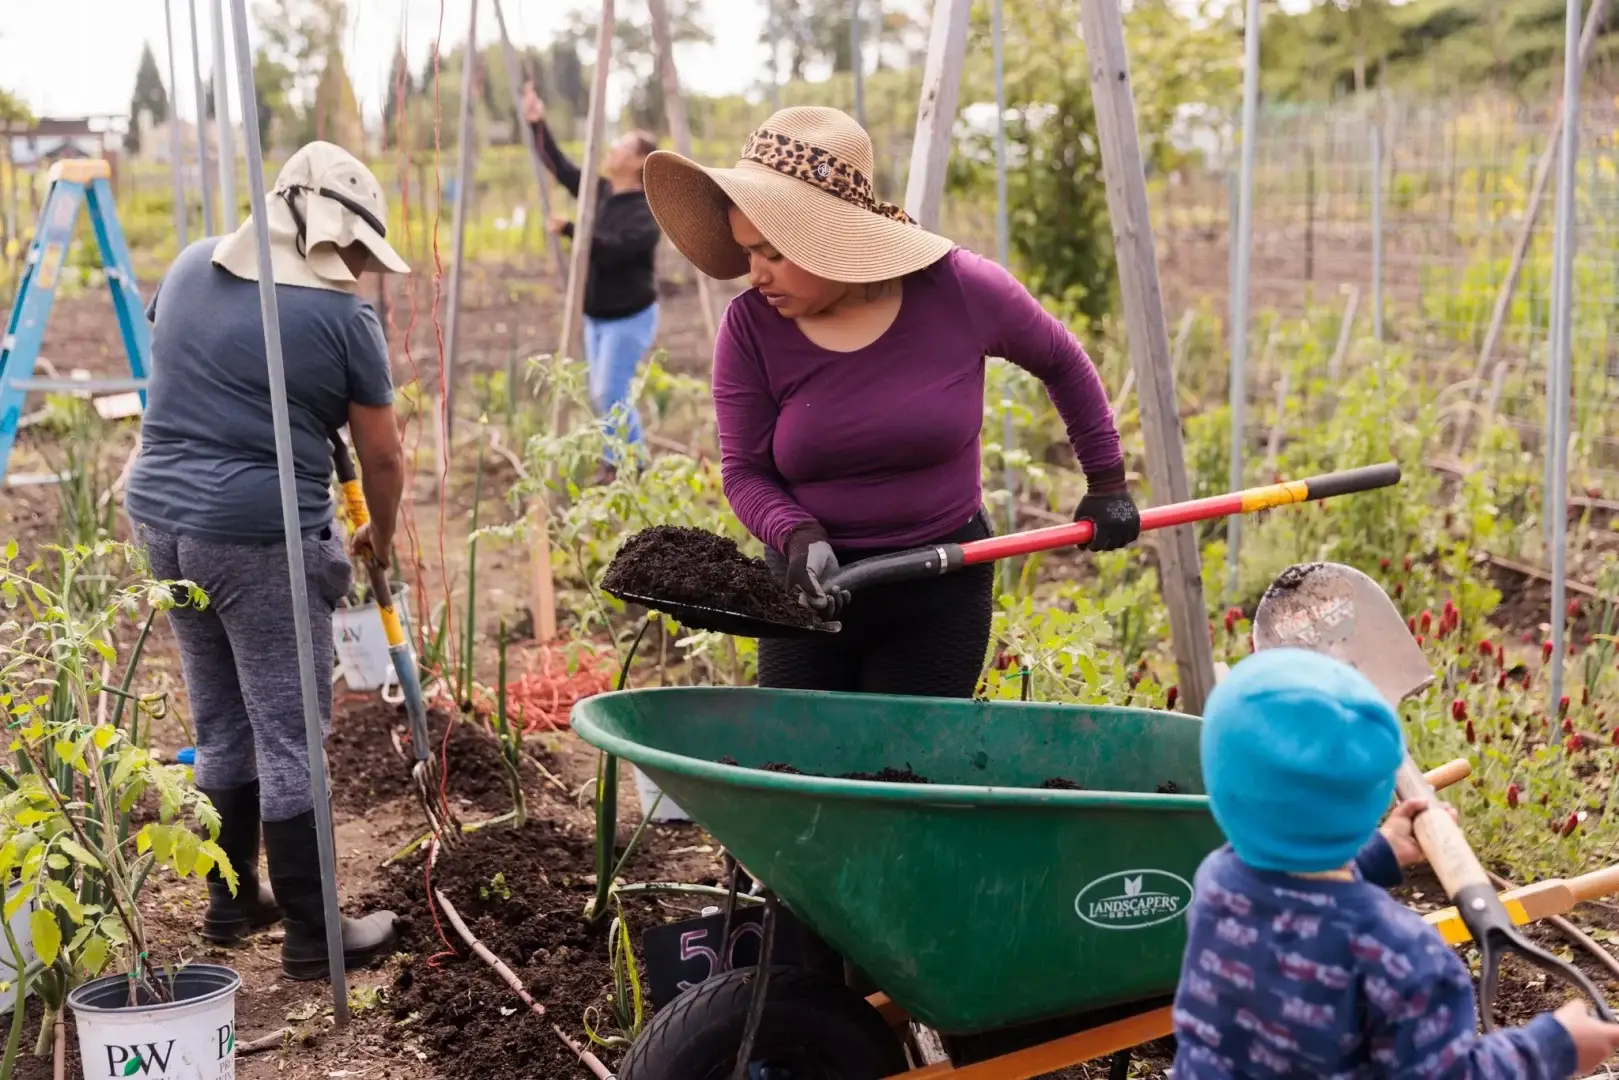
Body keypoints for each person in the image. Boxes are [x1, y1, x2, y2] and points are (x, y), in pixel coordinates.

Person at [641, 106, 1137, 698]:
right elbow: (744, 471)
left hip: (942, 581)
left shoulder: (958, 288)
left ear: (832, 239)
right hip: (810, 586)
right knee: (801, 765)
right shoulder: (750, 328)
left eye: (772, 253)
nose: (756, 275)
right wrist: (798, 536)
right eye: (747, 253)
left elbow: (1062, 359)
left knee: (908, 769)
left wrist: (1106, 481)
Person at [128, 142, 409, 981]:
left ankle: (229, 900)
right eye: (357, 250)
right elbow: (383, 458)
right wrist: (380, 537)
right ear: (332, 236)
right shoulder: (344, 317)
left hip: (160, 517)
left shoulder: (186, 265)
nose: (360, 265)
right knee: (291, 735)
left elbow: (185, 355)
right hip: (258, 535)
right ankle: (314, 936)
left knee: (219, 721)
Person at [1175, 648, 1619, 1078]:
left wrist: (1379, 851)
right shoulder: (1399, 952)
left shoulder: (1215, 882)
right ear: (1374, 797)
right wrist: (1553, 1047)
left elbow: (1297, 909)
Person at [522, 82, 663, 481]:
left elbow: (618, 249)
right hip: (597, 315)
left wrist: (571, 229)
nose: (612, 149)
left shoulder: (646, 211)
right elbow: (562, 168)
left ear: (638, 161)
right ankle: (616, 459)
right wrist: (537, 123)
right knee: (605, 392)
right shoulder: (600, 192)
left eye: (621, 145)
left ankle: (630, 462)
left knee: (608, 391)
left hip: (630, 315)